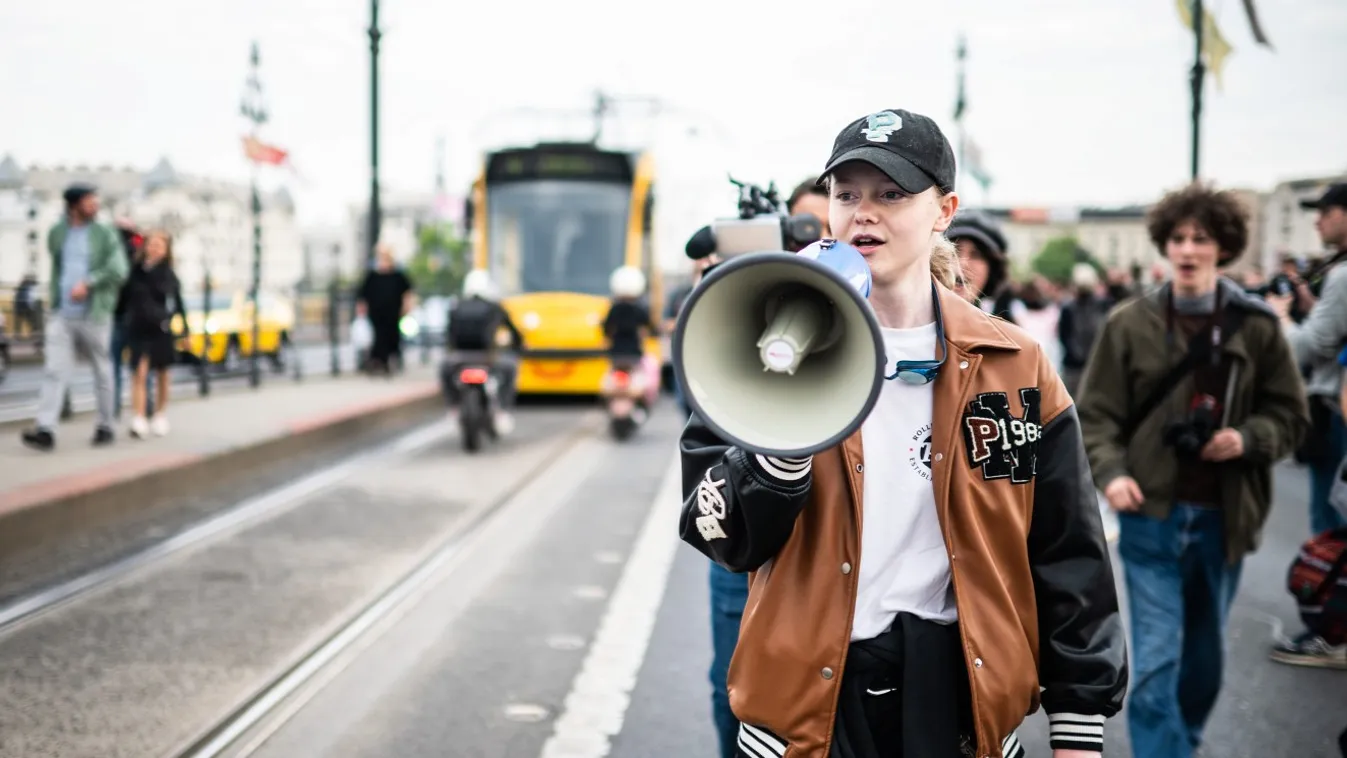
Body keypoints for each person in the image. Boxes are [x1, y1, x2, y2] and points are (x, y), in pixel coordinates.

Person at [680, 108, 1127, 758]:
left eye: (891, 194)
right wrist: (776, 453)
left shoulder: (1014, 366)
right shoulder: (763, 347)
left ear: (943, 209)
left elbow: (1067, 554)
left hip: (957, 705)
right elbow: (715, 532)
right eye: (847, 194)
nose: (865, 212)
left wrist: (1078, 726)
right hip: (809, 716)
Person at [1077, 182, 1309, 758]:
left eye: (1200, 239)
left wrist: (1248, 437)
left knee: (1204, 659)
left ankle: (1186, 742)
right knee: (1156, 661)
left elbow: (1291, 414)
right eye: (1177, 238)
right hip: (1149, 514)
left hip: (1222, 517)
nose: (1187, 249)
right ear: (1164, 245)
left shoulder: (1256, 326)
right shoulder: (1129, 323)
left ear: (1221, 246)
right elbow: (1095, 414)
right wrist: (1112, 474)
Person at [1266, 181, 1347, 667]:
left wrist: (1279, 321)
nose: (1318, 220)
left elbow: (1310, 348)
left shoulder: (1341, 276)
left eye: (1326, 211)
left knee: (1332, 527)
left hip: (1334, 412)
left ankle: (1331, 631)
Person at [21, 183, 128, 452]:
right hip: (62, 313)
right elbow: (58, 264)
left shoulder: (105, 233)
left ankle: (105, 426)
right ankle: (46, 429)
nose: (95, 205)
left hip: (96, 313)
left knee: (102, 370)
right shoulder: (58, 233)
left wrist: (89, 283)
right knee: (54, 370)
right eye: (90, 201)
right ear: (74, 205)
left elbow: (119, 269)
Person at [120, 230, 187, 438]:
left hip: (161, 329)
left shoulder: (168, 274)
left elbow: (178, 303)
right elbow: (124, 299)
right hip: (139, 328)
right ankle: (138, 417)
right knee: (139, 372)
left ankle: (160, 415)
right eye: (151, 244)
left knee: (162, 373)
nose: (155, 248)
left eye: (160, 245)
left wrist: (185, 330)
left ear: (166, 250)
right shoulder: (136, 271)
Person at [442, 269, 523, 434]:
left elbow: (448, 336)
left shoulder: (456, 306)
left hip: (459, 358)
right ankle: (502, 410)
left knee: (444, 371)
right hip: (488, 358)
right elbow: (514, 333)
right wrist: (518, 346)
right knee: (511, 368)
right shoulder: (495, 307)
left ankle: (453, 407)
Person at [356, 243, 414, 375]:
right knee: (378, 336)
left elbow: (407, 293)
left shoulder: (398, 275)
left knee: (392, 336)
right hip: (376, 313)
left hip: (393, 313)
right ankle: (379, 361)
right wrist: (361, 308)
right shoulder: (372, 275)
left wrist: (407, 307)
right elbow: (362, 294)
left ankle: (388, 361)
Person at [947, 209, 1015, 321]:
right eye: (954, 250)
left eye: (976, 255)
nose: (963, 263)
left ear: (993, 271)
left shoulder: (1001, 336)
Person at [1057, 263, 1112, 397]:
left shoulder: (1102, 305)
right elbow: (1064, 336)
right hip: (1079, 366)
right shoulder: (1069, 308)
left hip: (1089, 366)